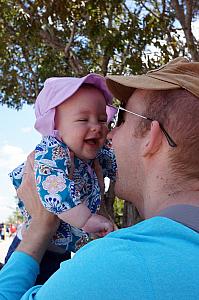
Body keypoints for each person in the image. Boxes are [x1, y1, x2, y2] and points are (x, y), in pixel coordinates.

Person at [1, 57, 199, 299]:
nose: (109, 133)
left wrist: (39, 230)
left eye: (119, 120)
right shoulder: (54, 153)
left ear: (152, 137)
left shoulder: (113, 267)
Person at [5, 74, 116, 284]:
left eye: (102, 119)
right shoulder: (52, 152)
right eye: (84, 119)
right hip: (37, 250)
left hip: (59, 250)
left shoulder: (92, 152)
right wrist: (87, 220)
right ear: (54, 126)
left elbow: (116, 163)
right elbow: (54, 191)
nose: (97, 126)